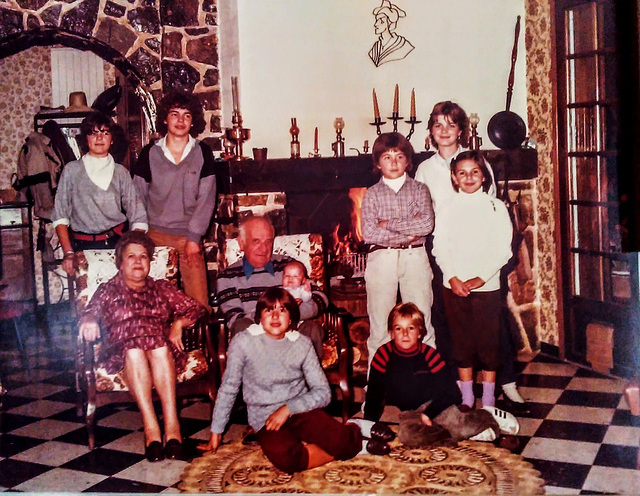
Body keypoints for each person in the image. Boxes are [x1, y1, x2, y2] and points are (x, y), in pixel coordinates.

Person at [415, 101, 528, 413]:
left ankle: (505, 383)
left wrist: (482, 271)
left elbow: (489, 214)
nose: (444, 131)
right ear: (431, 132)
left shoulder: (480, 164)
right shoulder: (425, 169)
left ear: (460, 131)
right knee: (451, 322)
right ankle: (458, 389)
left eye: (450, 125)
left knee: (492, 325)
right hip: (446, 252)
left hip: (480, 259)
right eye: (438, 125)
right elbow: (423, 211)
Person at [201, 287, 362, 474]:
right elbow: (229, 387)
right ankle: (346, 448)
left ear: (292, 318)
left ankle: (355, 429)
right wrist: (216, 431)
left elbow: (324, 393)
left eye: (282, 310)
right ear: (259, 316)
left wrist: (288, 409)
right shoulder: (243, 342)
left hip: (300, 408)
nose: (275, 316)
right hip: (265, 417)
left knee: (343, 442)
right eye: (269, 310)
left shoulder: (302, 343)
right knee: (288, 460)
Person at [79, 232, 206, 462]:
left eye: (144, 256)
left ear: (150, 262)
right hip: (124, 354)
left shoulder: (161, 287)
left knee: (158, 347)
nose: (138, 262)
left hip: (161, 352)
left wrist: (179, 323)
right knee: (136, 351)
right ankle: (151, 429)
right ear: (121, 262)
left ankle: (172, 427)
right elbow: (90, 312)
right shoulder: (107, 290)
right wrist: (88, 321)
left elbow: (196, 309)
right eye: (131, 256)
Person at [363, 303, 516, 443]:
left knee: (462, 427)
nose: (404, 333)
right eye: (398, 328)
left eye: (411, 328)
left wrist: (429, 413)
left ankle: (486, 416)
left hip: (438, 404)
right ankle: (447, 435)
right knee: (408, 437)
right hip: (410, 412)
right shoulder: (383, 355)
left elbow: (451, 393)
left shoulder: (429, 355)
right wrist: (368, 426)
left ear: (419, 333)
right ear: (390, 333)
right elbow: (374, 394)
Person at [432, 151, 513, 410]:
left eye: (474, 172)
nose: (469, 177)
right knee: (462, 342)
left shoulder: (495, 207)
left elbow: (503, 249)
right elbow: (439, 247)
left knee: (489, 343)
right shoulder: (447, 207)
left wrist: (481, 278)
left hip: (486, 287)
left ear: (484, 176)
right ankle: (467, 397)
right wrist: (453, 277)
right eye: (462, 173)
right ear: (454, 178)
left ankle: (488, 398)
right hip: (454, 287)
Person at [131, 90, 216, 310]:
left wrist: (194, 238)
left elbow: (206, 198)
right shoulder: (149, 153)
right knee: (151, 301)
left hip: (188, 236)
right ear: (165, 119)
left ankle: (200, 342)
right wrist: (141, 236)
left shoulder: (203, 153)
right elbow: (137, 196)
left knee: (199, 303)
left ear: (193, 121)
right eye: (174, 114)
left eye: (186, 115)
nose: (180, 120)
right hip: (153, 234)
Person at [361, 132, 435, 365]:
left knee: (422, 319)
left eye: (399, 156)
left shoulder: (420, 190)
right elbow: (370, 233)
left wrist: (389, 224)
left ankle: (429, 384)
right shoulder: (372, 194)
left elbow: (426, 225)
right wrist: (407, 233)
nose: (393, 162)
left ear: (408, 161)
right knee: (381, 324)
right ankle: (377, 388)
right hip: (381, 259)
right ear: (377, 163)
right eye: (387, 157)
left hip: (415, 258)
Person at [216, 216, 326, 359]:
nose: (264, 248)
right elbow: (235, 319)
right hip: (257, 338)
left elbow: (320, 298)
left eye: (268, 241)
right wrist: (272, 319)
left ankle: (306, 378)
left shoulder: (288, 266)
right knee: (241, 326)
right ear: (241, 243)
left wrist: (290, 315)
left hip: (293, 333)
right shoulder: (227, 277)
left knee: (312, 329)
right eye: (256, 241)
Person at [52, 112, 148, 276]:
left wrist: (130, 246)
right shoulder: (72, 171)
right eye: (93, 133)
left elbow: (138, 215)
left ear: (112, 140)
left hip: (117, 244)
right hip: (83, 247)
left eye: (105, 133)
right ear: (85, 139)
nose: (99, 138)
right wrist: (68, 254)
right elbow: (60, 216)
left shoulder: (121, 172)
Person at [368, 0, 415, 67]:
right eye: (376, 20)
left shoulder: (404, 46)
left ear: (389, 23)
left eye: (381, 21)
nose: (376, 24)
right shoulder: (374, 49)